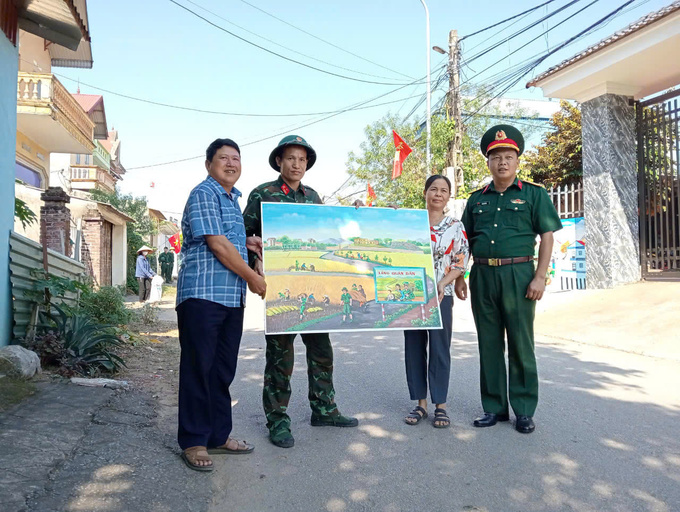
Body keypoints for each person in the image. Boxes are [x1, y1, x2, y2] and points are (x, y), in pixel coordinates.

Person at [243, 134, 358, 449]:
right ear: (279, 161)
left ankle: (324, 409)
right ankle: (278, 420)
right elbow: (243, 234)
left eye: (302, 159)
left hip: (313, 285)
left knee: (322, 351)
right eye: (290, 158)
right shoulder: (262, 194)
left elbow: (328, 236)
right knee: (280, 356)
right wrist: (255, 263)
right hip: (281, 288)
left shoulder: (313, 197)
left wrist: (359, 221)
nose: (296, 164)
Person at [458, 125, 562, 434]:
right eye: (496, 157)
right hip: (483, 275)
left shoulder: (534, 194)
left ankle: (524, 409)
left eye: (508, 157)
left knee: (520, 343)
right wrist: (461, 275)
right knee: (488, 343)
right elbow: (463, 240)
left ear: (517, 162)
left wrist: (540, 276)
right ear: (488, 163)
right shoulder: (477, 199)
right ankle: (494, 408)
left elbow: (546, 237)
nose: (502, 163)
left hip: (519, 276)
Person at [175, 138, 267, 471]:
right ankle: (194, 441)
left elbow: (228, 240)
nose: (231, 163)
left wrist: (247, 241)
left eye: (236, 158)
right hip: (202, 296)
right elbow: (217, 245)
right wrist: (254, 279)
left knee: (222, 370)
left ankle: (217, 435)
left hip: (230, 298)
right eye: (223, 158)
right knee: (199, 368)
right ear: (209, 164)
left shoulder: (232, 201)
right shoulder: (204, 193)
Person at [404, 175, 469, 429]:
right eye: (433, 189)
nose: (438, 194)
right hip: (412, 295)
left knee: (440, 349)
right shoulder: (410, 224)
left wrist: (444, 282)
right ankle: (420, 404)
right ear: (425, 193)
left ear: (448, 197)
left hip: (442, 295)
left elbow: (460, 261)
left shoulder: (455, 226)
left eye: (443, 190)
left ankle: (440, 405)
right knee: (414, 347)